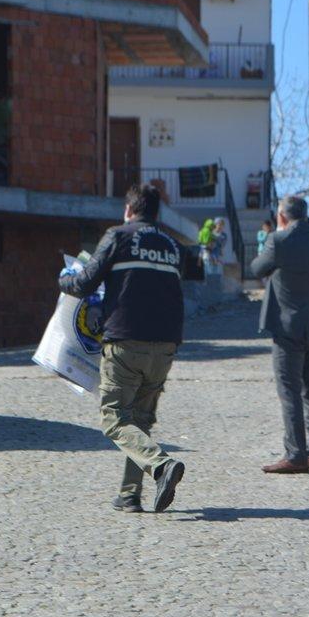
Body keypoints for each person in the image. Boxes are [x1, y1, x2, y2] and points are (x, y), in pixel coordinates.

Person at [59, 184, 187, 514]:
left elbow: (85, 281)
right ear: (156, 214)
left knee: (114, 420)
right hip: (166, 346)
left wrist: (64, 280)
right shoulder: (172, 245)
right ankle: (130, 495)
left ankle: (161, 465)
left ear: (129, 210)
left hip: (126, 342)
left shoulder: (118, 236)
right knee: (140, 420)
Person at [250, 195, 309, 474]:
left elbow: (256, 268)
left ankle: (296, 454)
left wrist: (271, 236)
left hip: (288, 328)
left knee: (289, 390)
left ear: (282, 216)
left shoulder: (279, 241)